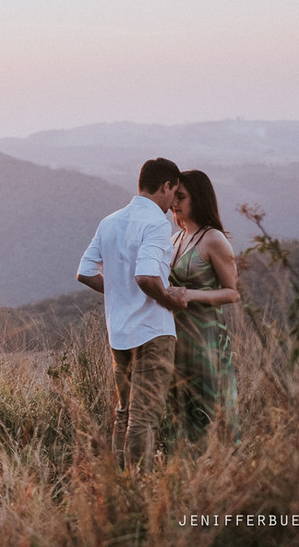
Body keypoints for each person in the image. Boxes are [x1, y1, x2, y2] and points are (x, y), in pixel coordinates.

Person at [77, 158, 188, 471]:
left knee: (124, 413)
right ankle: (139, 488)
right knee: (144, 419)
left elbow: (85, 273)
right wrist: (170, 298)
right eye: (174, 192)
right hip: (153, 330)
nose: (173, 203)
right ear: (165, 185)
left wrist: (117, 290)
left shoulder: (109, 221)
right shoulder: (156, 223)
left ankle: (122, 485)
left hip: (120, 332)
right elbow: (147, 277)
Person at [168, 169, 241, 443]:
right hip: (177, 338)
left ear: (197, 198)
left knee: (209, 408)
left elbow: (233, 293)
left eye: (182, 197)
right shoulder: (175, 239)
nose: (175, 203)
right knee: (180, 411)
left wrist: (190, 295)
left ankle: (220, 468)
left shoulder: (214, 239)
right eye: (174, 196)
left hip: (206, 339)